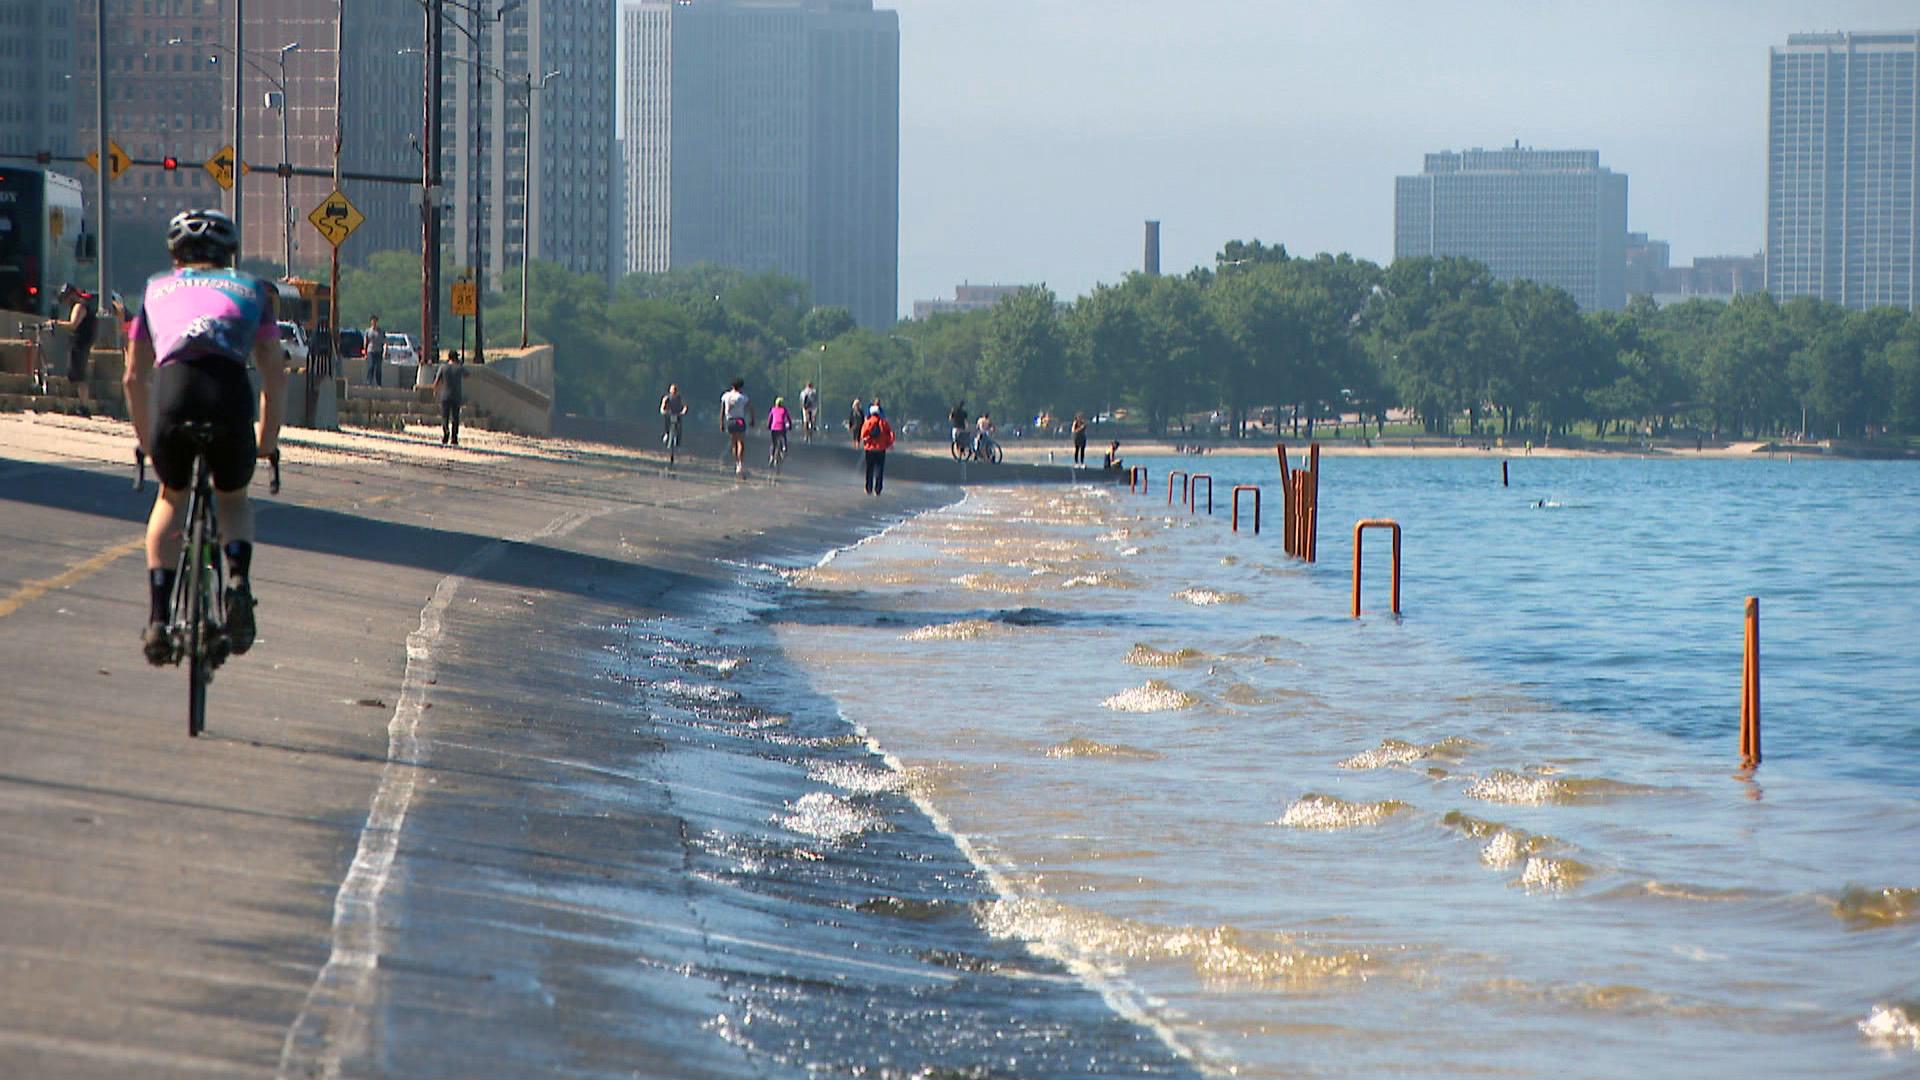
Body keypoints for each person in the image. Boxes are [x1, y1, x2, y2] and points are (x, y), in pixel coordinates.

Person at [123, 208, 285, 665]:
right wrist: (266, 442)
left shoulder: (155, 290)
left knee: (171, 498)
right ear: (228, 255)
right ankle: (236, 581)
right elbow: (275, 374)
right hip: (229, 395)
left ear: (176, 256)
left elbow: (134, 377)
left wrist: (148, 441)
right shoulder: (252, 290)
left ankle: (158, 620)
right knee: (232, 498)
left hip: (175, 394)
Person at [50, 282, 100, 392]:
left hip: (81, 344)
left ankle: (83, 405)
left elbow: (73, 324)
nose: (65, 302)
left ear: (71, 295)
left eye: (65, 298)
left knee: (79, 377)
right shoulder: (81, 305)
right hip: (80, 343)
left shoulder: (79, 306)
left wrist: (56, 323)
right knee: (75, 375)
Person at [859, 404, 894, 495]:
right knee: (879, 470)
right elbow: (891, 434)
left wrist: (865, 442)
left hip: (869, 449)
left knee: (869, 469)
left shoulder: (867, 422)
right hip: (881, 449)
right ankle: (878, 490)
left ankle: (868, 488)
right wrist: (889, 444)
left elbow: (863, 435)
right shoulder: (884, 423)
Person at [432, 349, 466, 446]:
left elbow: (437, 381)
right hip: (456, 396)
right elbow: (468, 375)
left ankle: (446, 433)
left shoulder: (443, 367)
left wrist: (435, 390)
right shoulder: (459, 368)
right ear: (456, 358)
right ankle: (454, 438)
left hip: (445, 395)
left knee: (444, 417)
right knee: (455, 418)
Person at [721, 377, 752, 476]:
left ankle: (736, 463)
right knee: (740, 442)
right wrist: (752, 419)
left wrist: (721, 422)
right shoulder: (743, 397)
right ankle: (740, 464)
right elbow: (750, 408)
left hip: (730, 420)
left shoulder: (725, 396)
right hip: (739, 420)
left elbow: (722, 410)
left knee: (734, 442)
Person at [767, 396, 793, 465]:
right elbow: (788, 419)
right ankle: (784, 449)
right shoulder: (784, 410)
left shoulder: (773, 410)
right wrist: (790, 426)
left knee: (773, 443)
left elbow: (770, 419)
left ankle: (771, 457)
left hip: (774, 428)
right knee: (784, 439)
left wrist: (769, 426)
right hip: (781, 428)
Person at [363, 314, 386, 387]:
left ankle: (379, 383)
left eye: (375, 321)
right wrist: (365, 353)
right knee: (371, 366)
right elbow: (366, 342)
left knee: (378, 368)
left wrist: (385, 351)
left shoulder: (381, 331)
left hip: (379, 351)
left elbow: (385, 342)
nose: (374, 322)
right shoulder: (368, 331)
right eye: (373, 321)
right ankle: (369, 382)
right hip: (371, 351)